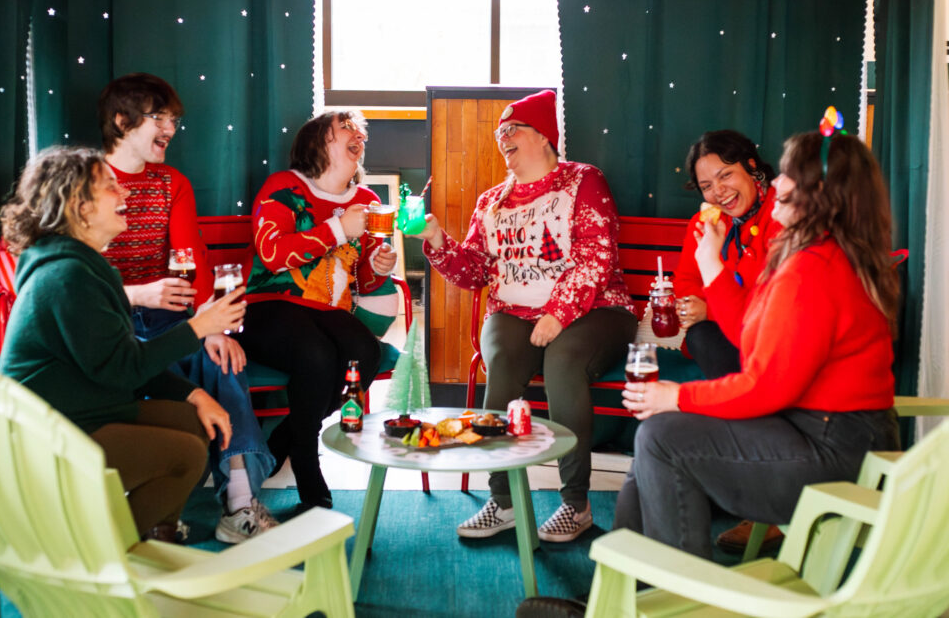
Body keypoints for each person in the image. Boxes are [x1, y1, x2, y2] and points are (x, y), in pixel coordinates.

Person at [614, 128, 901, 560]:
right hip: (822, 430)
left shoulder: (813, 268)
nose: (778, 183)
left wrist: (677, 395)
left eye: (790, 175)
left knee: (660, 439)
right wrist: (711, 264)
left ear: (823, 193)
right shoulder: (818, 252)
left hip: (833, 450)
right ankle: (620, 588)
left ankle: (671, 595)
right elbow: (751, 335)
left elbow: (765, 385)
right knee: (658, 435)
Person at [416, 90, 636, 543]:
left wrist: (559, 313)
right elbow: (476, 270)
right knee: (502, 368)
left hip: (596, 308)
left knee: (564, 362)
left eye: (511, 129)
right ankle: (504, 501)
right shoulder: (491, 201)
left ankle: (576, 504)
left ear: (543, 136)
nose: (502, 138)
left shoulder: (583, 180)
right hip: (513, 310)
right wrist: (437, 239)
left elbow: (596, 256)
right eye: (499, 132)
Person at [0, 147, 247, 542]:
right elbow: (123, 369)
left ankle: (157, 534)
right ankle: (100, 554)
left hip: (85, 409)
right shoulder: (66, 276)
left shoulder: (85, 266)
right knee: (186, 455)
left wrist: (194, 394)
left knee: (192, 422)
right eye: (110, 187)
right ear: (79, 207)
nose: (125, 194)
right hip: (49, 430)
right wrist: (199, 327)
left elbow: (122, 357)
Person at [98, 73, 276, 543]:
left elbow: (190, 258)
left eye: (174, 120)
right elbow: (78, 281)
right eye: (159, 118)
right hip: (111, 319)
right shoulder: (89, 182)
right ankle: (158, 504)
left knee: (221, 357)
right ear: (121, 120)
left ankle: (238, 502)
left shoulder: (171, 182)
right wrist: (138, 293)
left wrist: (211, 327)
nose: (171, 129)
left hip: (168, 316)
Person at [239, 110, 398, 512]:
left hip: (329, 311)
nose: (357, 136)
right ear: (317, 143)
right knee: (316, 355)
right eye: (344, 129)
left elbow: (359, 277)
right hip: (269, 305)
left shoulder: (367, 201)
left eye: (359, 132)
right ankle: (307, 463)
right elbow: (272, 255)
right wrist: (338, 228)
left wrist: (376, 265)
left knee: (366, 354)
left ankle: (286, 438)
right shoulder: (285, 188)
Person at [673, 130, 782, 380]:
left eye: (726, 175)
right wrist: (694, 308)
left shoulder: (782, 213)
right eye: (707, 186)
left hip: (772, 340)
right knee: (699, 334)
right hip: (723, 338)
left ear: (751, 167)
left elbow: (771, 302)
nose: (719, 191)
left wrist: (708, 309)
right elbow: (685, 282)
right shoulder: (703, 223)